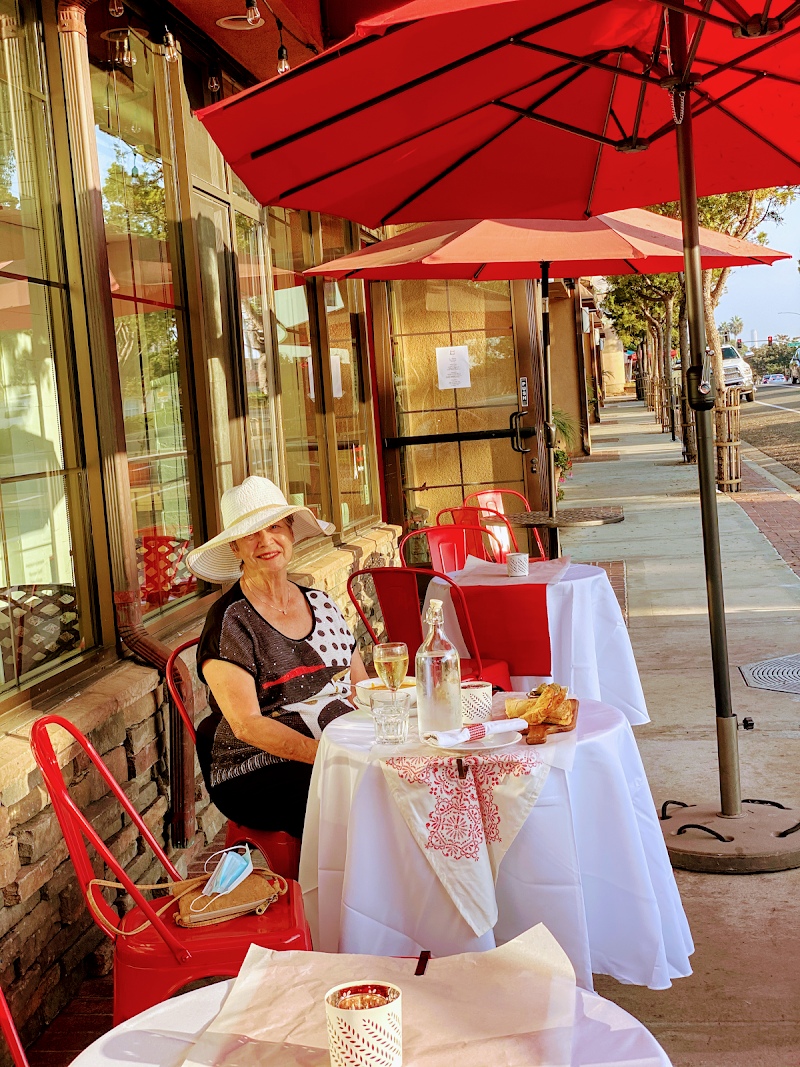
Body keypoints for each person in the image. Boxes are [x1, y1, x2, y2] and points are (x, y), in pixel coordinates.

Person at [186, 477, 367, 839]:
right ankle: (348, 893)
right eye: (252, 534)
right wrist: (331, 755)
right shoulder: (230, 621)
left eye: (275, 528)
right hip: (255, 766)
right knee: (361, 798)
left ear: (291, 534)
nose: (266, 541)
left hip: (340, 748)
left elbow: (363, 688)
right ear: (236, 547)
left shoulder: (322, 603)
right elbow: (248, 725)